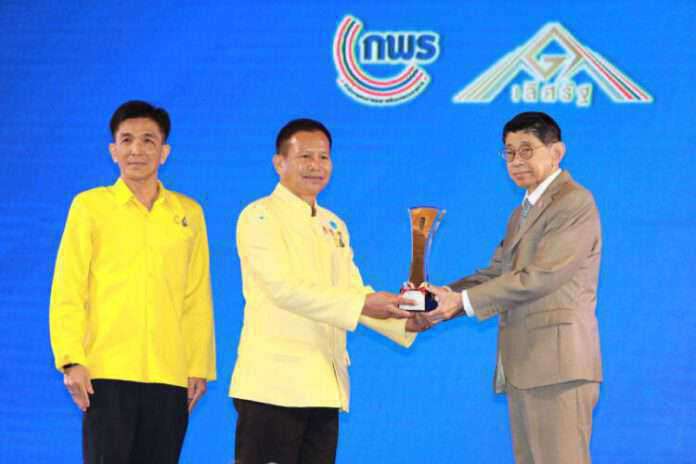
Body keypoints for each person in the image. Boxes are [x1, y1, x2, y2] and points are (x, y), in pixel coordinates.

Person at [229, 118, 431, 464]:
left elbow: (353, 290)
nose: (316, 166)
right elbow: (283, 289)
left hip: (324, 386)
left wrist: (402, 320)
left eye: (323, 157)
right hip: (273, 386)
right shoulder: (259, 216)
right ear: (279, 163)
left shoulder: (333, 224)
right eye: (305, 156)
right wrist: (362, 303)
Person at [427, 112, 602, 464]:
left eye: (527, 150)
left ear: (557, 152)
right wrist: (439, 298)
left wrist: (461, 301)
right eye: (509, 152)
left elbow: (541, 276)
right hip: (526, 366)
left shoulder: (574, 202)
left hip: (558, 367)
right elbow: (497, 272)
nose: (516, 161)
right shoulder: (521, 212)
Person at [49, 100, 216, 463]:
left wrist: (198, 367)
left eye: (148, 140)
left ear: (164, 152)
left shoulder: (188, 214)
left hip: (169, 376)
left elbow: (196, 295)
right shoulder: (90, 207)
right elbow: (68, 288)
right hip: (105, 373)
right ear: (113, 150)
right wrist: (71, 359)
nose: (136, 150)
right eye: (126, 140)